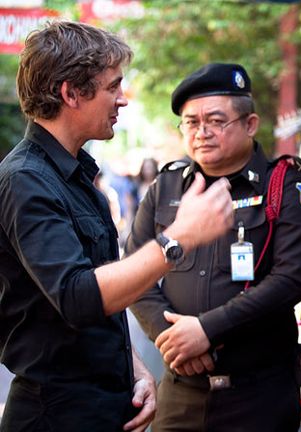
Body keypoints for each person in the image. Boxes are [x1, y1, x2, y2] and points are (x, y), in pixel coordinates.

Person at [0, 21, 233, 432]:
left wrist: (136, 370)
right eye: (113, 87)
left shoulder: (75, 176)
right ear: (71, 93)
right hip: (54, 416)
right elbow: (77, 296)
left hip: (100, 407)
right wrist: (177, 240)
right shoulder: (26, 179)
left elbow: (99, 309)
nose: (122, 100)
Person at [125, 62, 301, 432]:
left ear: (250, 124)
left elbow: (291, 279)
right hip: (181, 392)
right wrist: (173, 340)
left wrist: (207, 330)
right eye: (191, 122)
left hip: (258, 396)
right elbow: (137, 270)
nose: (202, 133)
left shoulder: (285, 186)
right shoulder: (166, 188)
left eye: (215, 121)